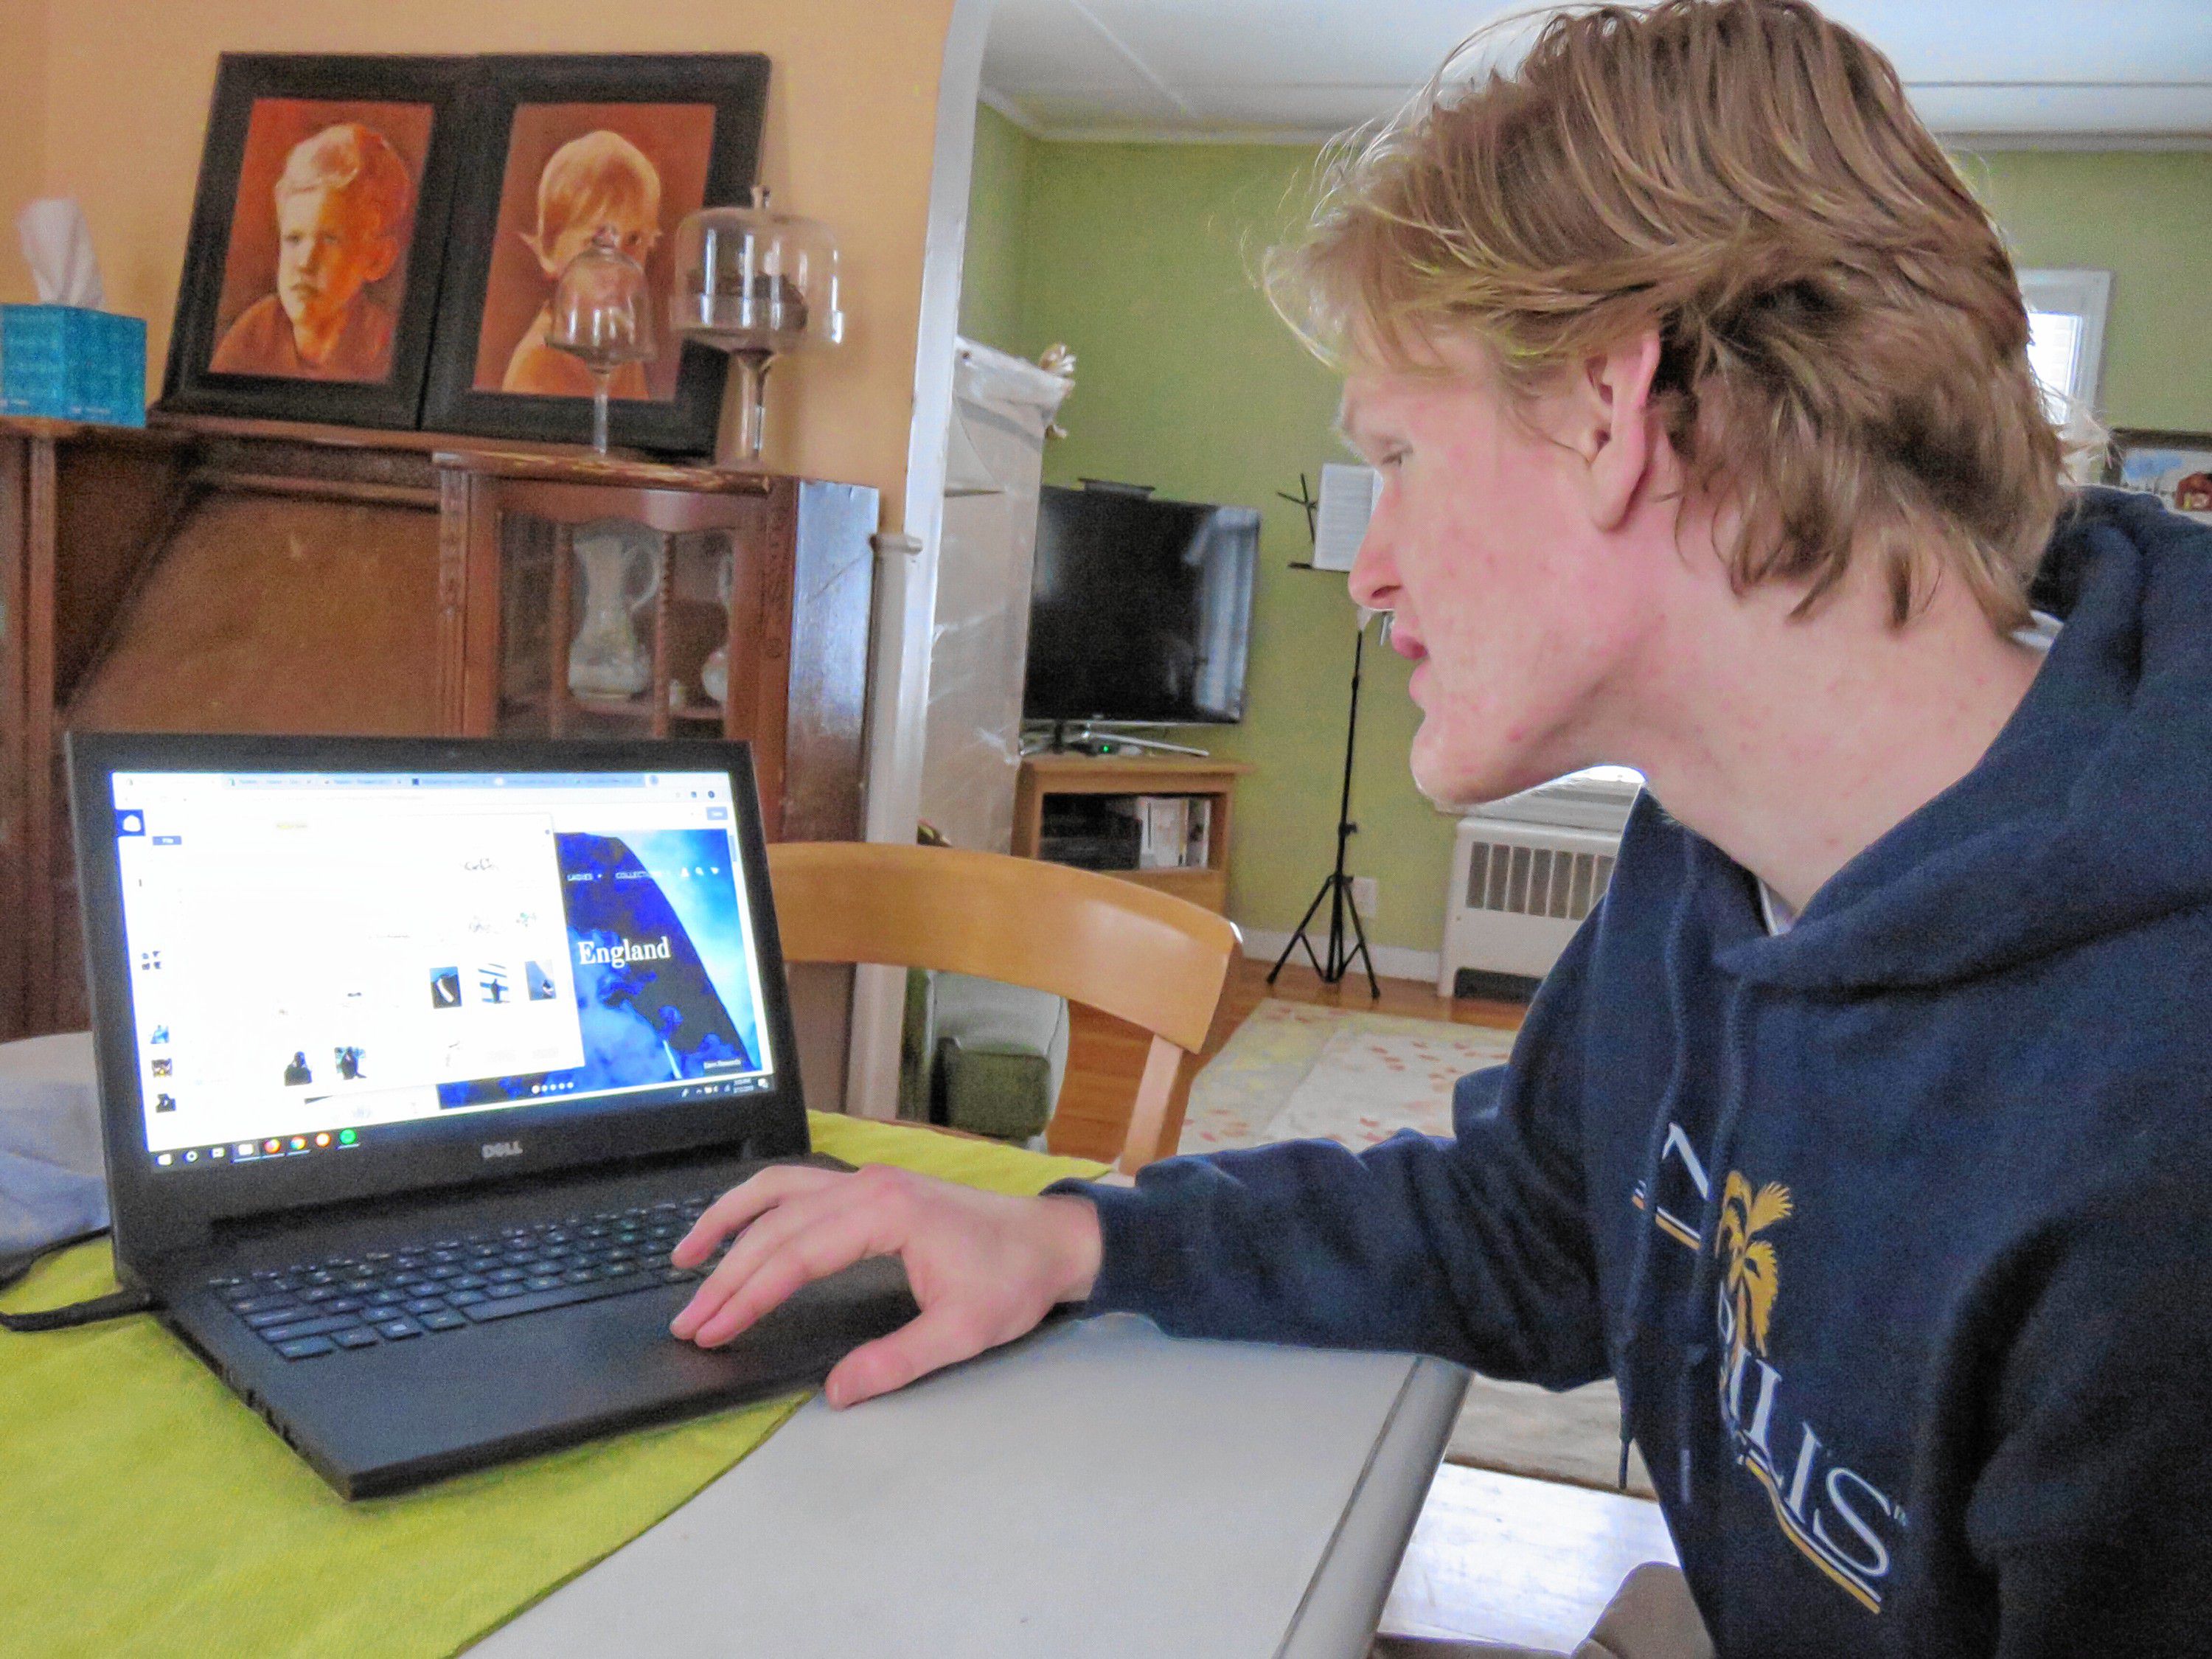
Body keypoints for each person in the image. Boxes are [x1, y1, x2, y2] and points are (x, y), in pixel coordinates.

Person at [665, 3, 2212, 1652]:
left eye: (1397, 452)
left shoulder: (2158, 1137)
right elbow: (1531, 1226)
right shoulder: (1716, 847)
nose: (1375, 563)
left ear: (1613, 412)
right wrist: (1065, 1237)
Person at [210, 122, 411, 381]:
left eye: (330, 240)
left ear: (377, 259)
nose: (305, 262)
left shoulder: (386, 348)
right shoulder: (254, 333)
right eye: (293, 239)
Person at [498, 129, 661, 397]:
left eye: (634, 239)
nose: (617, 262)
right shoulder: (539, 362)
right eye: (595, 242)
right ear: (549, 254)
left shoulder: (623, 343)